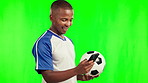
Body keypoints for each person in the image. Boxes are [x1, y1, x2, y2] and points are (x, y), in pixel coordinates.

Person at [32, 0, 99, 83]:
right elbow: (48, 77)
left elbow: (64, 70)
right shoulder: (44, 42)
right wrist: (76, 70)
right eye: (64, 20)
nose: (68, 24)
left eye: (71, 20)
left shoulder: (69, 41)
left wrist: (80, 77)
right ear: (51, 18)